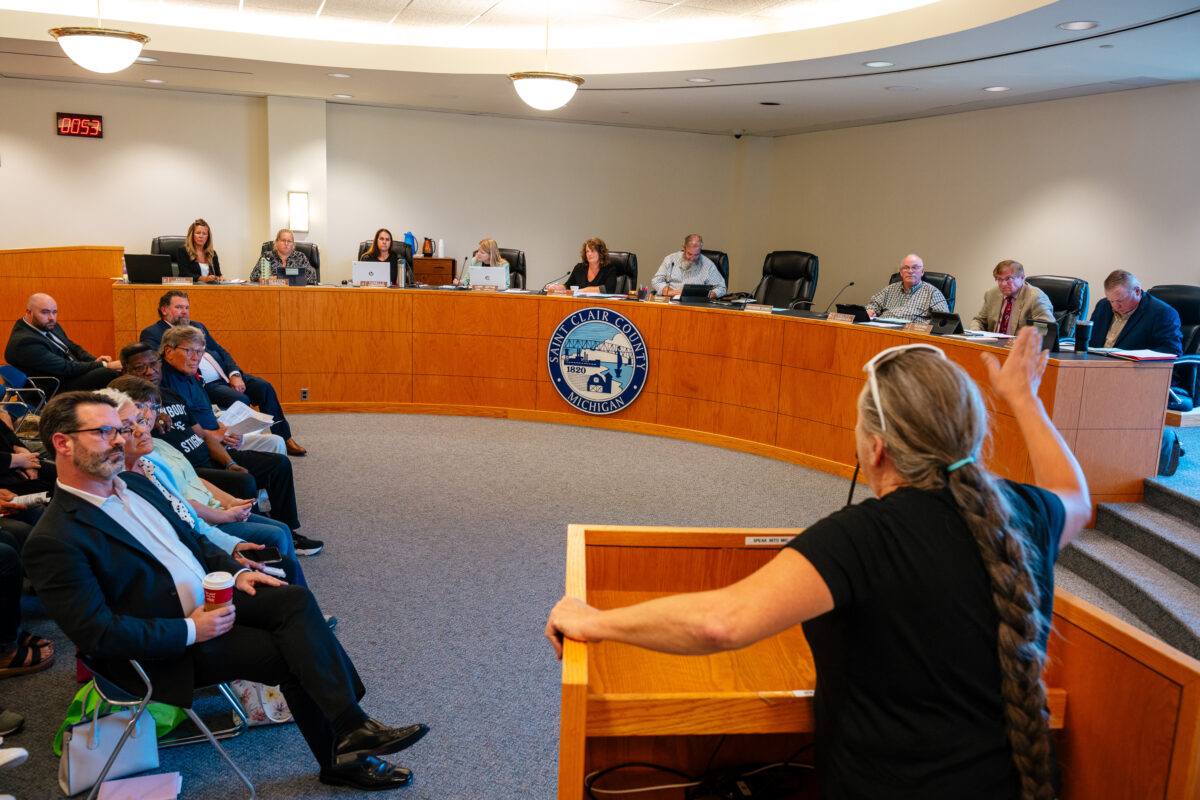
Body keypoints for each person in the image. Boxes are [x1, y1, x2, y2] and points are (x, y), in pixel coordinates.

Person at [546, 326, 1090, 800]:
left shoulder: (859, 539)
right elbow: (1077, 498)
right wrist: (1024, 399)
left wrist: (594, 622)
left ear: (875, 448)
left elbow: (721, 623)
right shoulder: (1019, 515)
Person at [23, 391, 428, 790]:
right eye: (105, 432)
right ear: (63, 443)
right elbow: (98, 635)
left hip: (207, 601)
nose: (119, 440)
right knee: (291, 654)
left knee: (295, 600)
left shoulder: (135, 484)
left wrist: (235, 574)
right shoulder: (56, 538)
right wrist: (191, 631)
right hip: (163, 648)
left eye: (119, 430)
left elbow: (193, 543)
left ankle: (351, 725)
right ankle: (344, 751)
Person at [127, 336, 322, 556]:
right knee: (245, 480)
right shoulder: (132, 410)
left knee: (279, 464)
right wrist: (148, 416)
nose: (150, 371)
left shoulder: (171, 395)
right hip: (191, 468)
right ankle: (255, 538)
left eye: (153, 365)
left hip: (211, 453)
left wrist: (230, 463)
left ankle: (286, 529)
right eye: (140, 368)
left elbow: (203, 434)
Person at [98, 383, 307, 588]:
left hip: (205, 525)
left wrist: (230, 503)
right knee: (277, 537)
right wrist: (227, 534)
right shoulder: (124, 482)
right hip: (194, 551)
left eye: (148, 413)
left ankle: (290, 587)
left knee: (282, 532)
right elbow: (182, 522)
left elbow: (191, 488)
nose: (143, 426)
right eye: (129, 425)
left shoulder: (152, 457)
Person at [140, 290, 306, 456]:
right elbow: (158, 363)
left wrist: (234, 374)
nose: (184, 311)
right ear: (164, 310)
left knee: (264, 387)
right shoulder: (154, 333)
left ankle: (285, 437)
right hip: (205, 383)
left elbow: (220, 351)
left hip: (224, 375)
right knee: (241, 399)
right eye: (179, 307)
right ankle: (237, 443)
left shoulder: (197, 326)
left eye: (187, 307)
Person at [4, 294, 121, 392]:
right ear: (29, 313)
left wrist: (94, 361)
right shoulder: (24, 343)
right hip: (55, 386)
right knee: (108, 373)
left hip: (70, 374)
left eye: (54, 312)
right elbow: (65, 368)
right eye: (45, 312)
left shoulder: (47, 325)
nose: (51, 317)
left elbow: (73, 348)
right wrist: (103, 365)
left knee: (122, 365)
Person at [1088, 270, 1182, 354]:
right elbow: (1089, 340)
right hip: (1095, 367)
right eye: (1111, 301)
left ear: (1137, 291)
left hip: (1134, 370)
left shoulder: (1162, 313)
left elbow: (1172, 351)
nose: (1115, 306)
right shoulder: (1103, 305)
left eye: (1120, 300)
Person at [969, 260, 1055, 335]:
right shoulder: (992, 294)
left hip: (1020, 349)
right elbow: (979, 320)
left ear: (1022, 278)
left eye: (1008, 279)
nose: (1003, 284)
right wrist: (975, 334)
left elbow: (1045, 330)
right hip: (994, 346)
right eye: (999, 279)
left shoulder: (1036, 297)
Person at [865, 253, 949, 321]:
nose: (910, 271)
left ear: (922, 271)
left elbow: (942, 320)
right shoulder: (889, 289)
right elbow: (872, 306)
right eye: (906, 268)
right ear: (901, 272)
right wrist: (870, 311)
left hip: (914, 335)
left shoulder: (933, 293)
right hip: (885, 332)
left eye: (915, 268)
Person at [649, 234, 726, 298]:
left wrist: (703, 295)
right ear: (684, 248)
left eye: (696, 255)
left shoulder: (708, 265)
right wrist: (671, 292)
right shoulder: (670, 259)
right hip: (671, 300)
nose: (692, 258)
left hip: (695, 305)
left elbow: (722, 288)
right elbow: (656, 281)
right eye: (689, 254)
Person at [547, 238, 618, 294]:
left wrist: (580, 291)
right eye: (587, 251)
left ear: (600, 253)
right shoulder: (579, 268)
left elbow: (608, 289)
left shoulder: (609, 268)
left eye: (592, 251)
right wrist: (555, 287)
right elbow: (567, 286)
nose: (589, 254)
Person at [249, 229, 317, 285]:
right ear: (276, 242)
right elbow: (254, 276)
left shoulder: (300, 257)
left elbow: (312, 278)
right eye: (283, 240)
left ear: (293, 244)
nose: (286, 244)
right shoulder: (267, 256)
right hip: (271, 294)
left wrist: (278, 279)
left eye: (289, 241)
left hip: (296, 294)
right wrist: (291, 279)